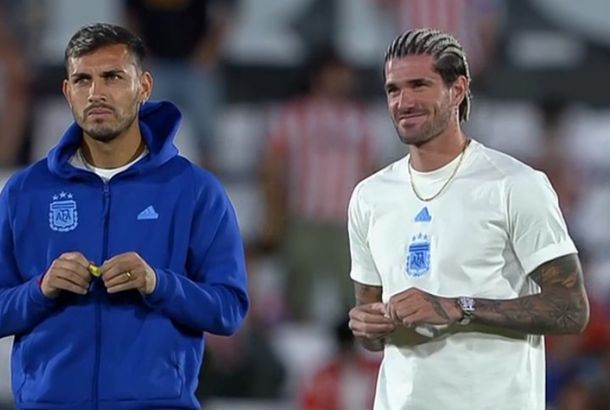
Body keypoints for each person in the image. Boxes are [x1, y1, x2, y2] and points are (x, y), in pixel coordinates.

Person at [0, 23, 249, 410]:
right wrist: (40, 289)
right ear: (68, 92)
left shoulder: (195, 191)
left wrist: (157, 284)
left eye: (113, 77)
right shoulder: (24, 193)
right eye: (82, 80)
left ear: (144, 86)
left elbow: (229, 309)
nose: (96, 93)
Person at [347, 28, 590, 410]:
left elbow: (571, 308)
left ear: (457, 89)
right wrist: (366, 326)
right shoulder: (369, 196)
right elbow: (370, 323)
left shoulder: (515, 184)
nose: (403, 101)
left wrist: (459, 307)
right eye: (393, 90)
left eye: (419, 85)